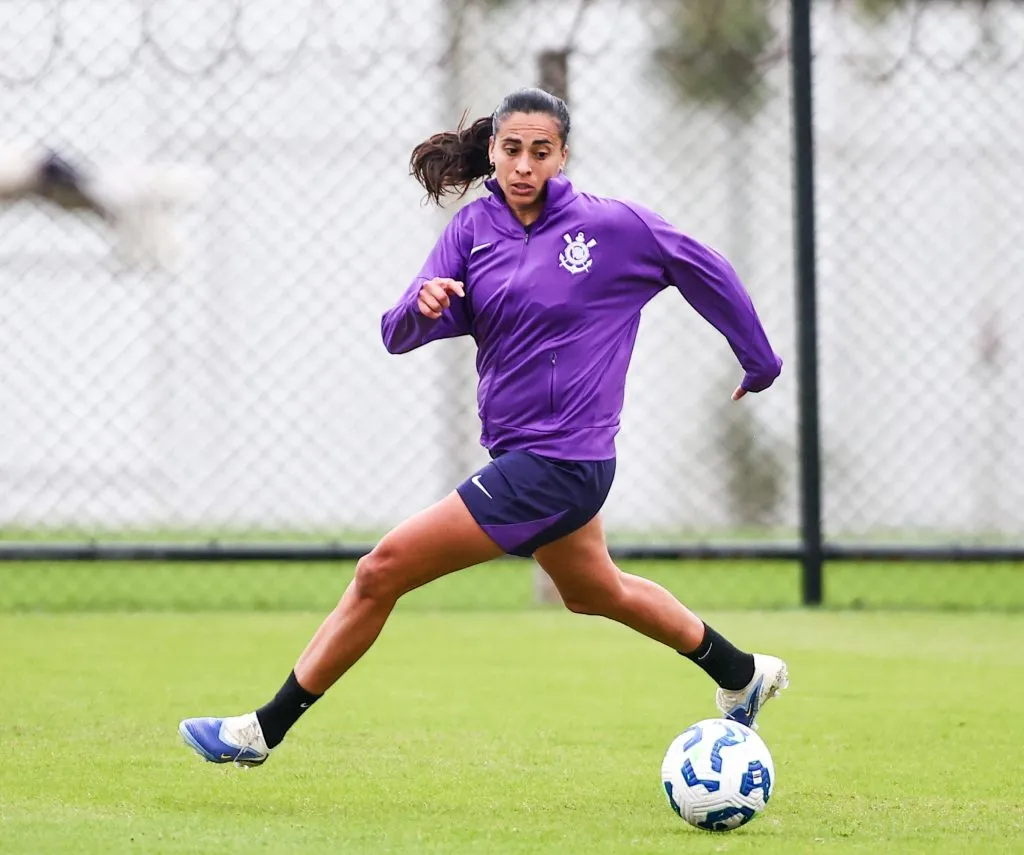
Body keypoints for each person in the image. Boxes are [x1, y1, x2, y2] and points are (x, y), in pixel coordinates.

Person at [179, 87, 787, 768]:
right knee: (594, 591)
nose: (525, 164)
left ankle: (260, 730)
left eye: (541, 151)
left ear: (562, 155)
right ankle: (741, 671)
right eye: (512, 149)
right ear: (494, 151)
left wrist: (758, 360)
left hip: (562, 463)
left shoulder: (613, 230)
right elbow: (396, 332)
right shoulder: (473, 231)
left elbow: (704, 267)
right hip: (528, 458)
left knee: (380, 570)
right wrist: (423, 303)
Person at [0, 141, 204, 267]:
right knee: (100, 196)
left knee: (101, 195)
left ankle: (138, 200)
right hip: (40, 171)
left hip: (42, 171)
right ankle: (136, 201)